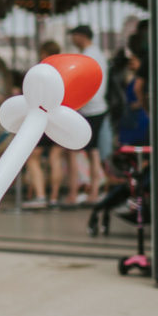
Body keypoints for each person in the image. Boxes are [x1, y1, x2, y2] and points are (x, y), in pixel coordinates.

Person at [63, 24, 108, 205]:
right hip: (97, 107)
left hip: (88, 108)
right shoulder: (97, 55)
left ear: (81, 36)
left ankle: (76, 192)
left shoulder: (88, 57)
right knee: (92, 151)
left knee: (76, 150)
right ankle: (94, 189)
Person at [23, 40, 64, 208]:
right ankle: (54, 197)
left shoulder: (42, 71)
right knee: (55, 158)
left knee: (33, 158)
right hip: (61, 117)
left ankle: (40, 196)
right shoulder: (63, 70)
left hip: (43, 116)